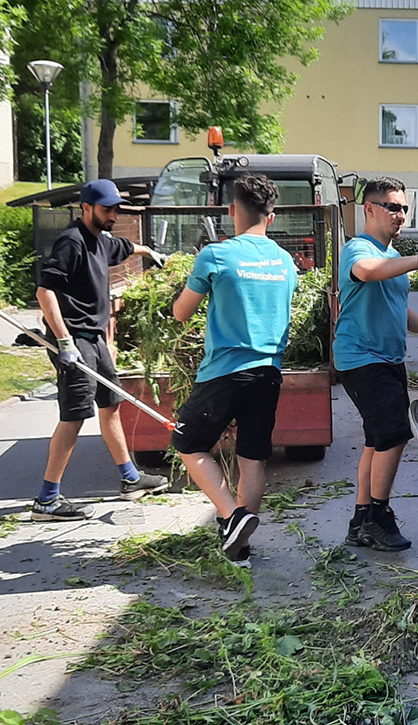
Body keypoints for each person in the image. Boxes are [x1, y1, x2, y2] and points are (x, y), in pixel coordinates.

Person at [170, 174, 298, 567]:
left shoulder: (216, 255)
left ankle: (232, 515)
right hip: (269, 372)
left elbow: (180, 312)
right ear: (271, 217)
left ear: (231, 211)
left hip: (225, 371)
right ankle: (239, 548)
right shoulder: (285, 261)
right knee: (252, 458)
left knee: (187, 444)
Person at [31, 179, 169, 521]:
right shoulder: (72, 242)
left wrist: (149, 251)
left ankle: (131, 480)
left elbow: (126, 246)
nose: (113, 215)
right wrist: (64, 341)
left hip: (95, 339)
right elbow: (45, 292)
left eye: (115, 209)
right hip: (74, 340)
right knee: (75, 416)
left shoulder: (101, 241)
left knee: (110, 408)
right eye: (107, 209)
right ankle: (47, 500)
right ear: (87, 208)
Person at [334, 178, 418, 552]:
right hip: (361, 357)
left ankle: (361, 518)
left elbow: (398, 310)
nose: (399, 215)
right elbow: (367, 273)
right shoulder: (359, 249)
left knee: (376, 439)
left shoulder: (390, 255)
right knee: (393, 433)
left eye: (403, 208)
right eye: (391, 207)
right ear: (369, 209)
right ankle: (378, 517)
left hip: (386, 358)